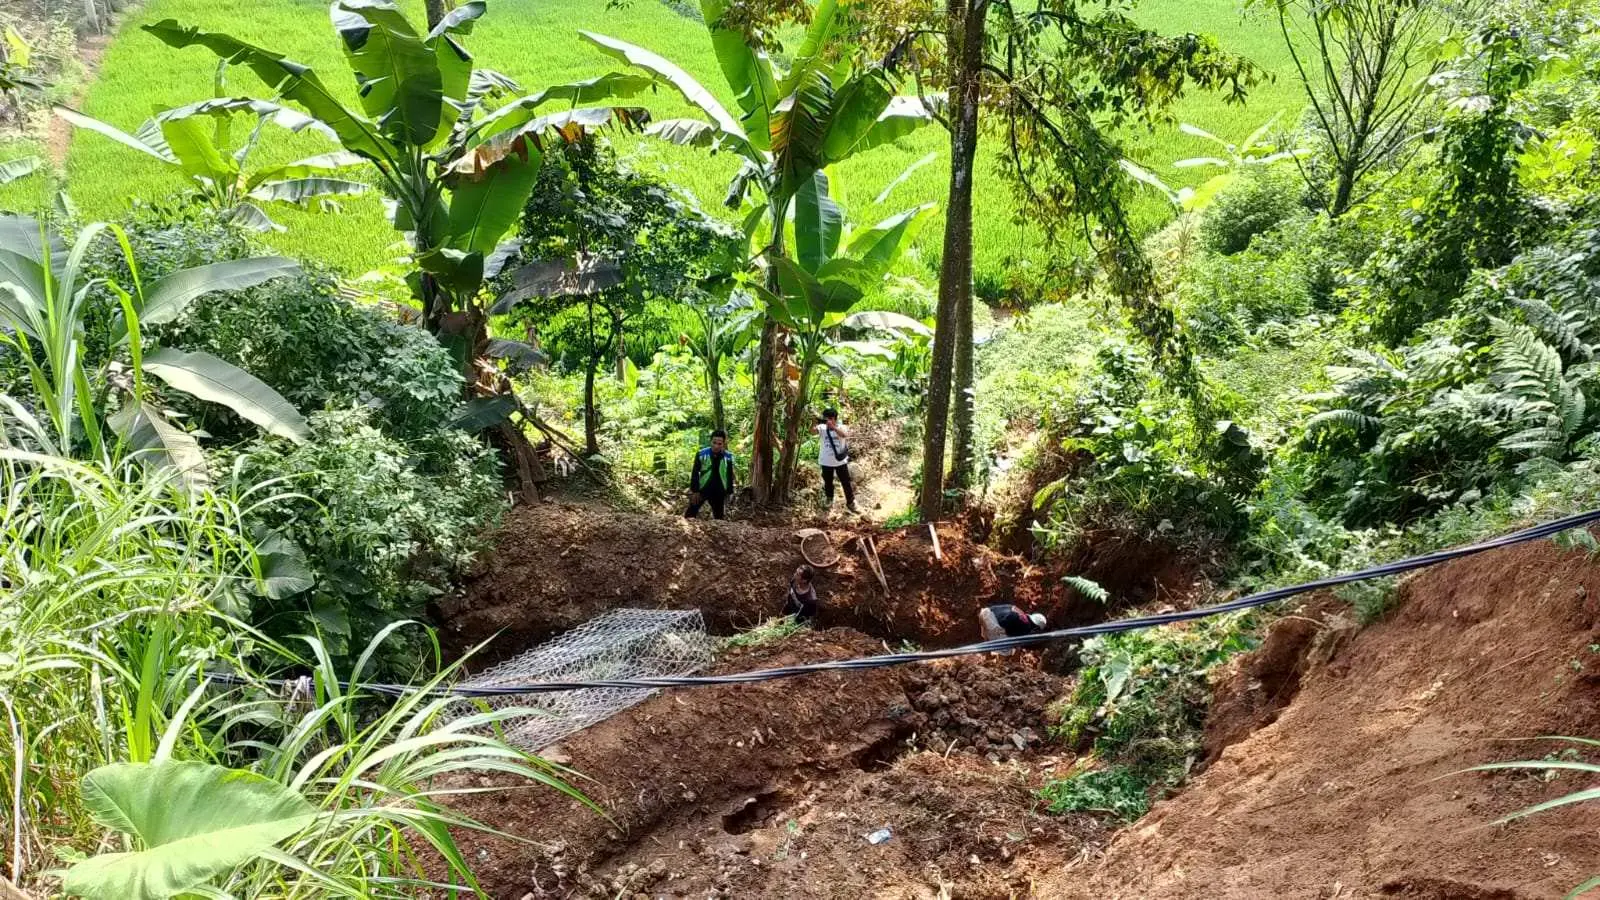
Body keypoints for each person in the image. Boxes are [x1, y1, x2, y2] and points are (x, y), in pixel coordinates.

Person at [815, 407, 858, 514]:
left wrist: (833, 428)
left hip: (840, 461)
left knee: (846, 482)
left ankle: (851, 502)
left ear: (835, 418)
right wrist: (813, 421)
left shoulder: (842, 427)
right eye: (826, 418)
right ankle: (829, 499)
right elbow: (812, 432)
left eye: (830, 418)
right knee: (828, 482)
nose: (828, 420)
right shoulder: (822, 427)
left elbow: (844, 435)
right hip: (825, 461)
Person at [685, 430, 735, 520]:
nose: (716, 446)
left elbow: (729, 475)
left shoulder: (728, 457)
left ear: (723, 443)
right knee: (690, 514)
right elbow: (695, 473)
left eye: (719, 444)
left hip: (719, 491)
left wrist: (729, 492)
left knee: (719, 517)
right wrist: (695, 490)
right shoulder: (701, 454)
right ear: (710, 441)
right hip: (703, 489)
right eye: (714, 442)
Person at [978, 603, 1047, 642]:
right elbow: (1015, 641)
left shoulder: (1020, 612)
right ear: (1036, 627)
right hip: (990, 622)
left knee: (998, 632)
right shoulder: (1026, 627)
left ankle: (987, 655)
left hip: (983, 612)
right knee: (1007, 648)